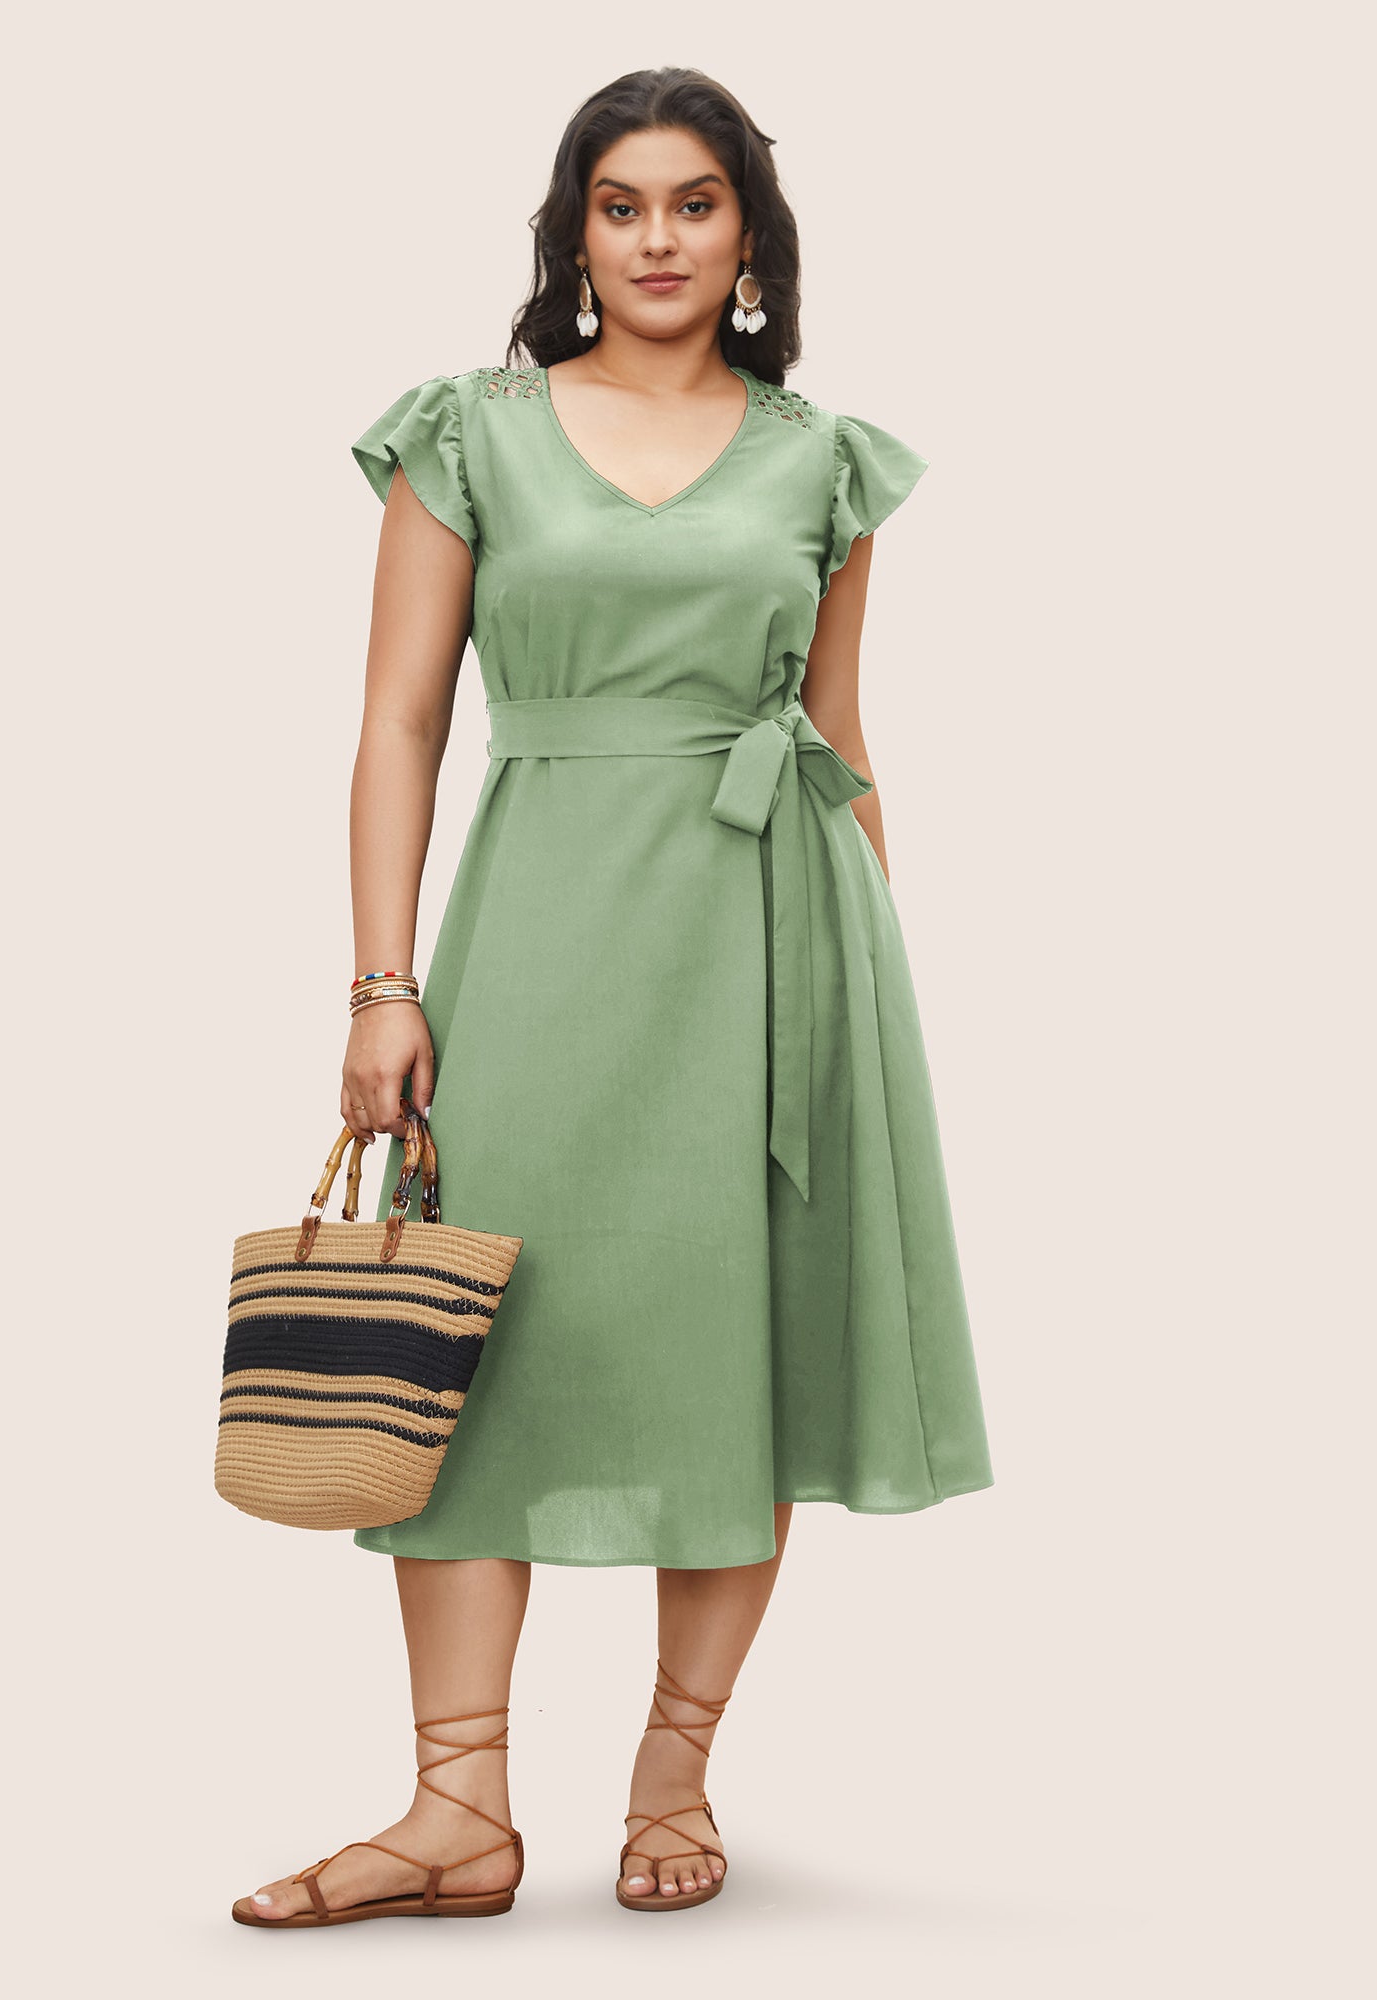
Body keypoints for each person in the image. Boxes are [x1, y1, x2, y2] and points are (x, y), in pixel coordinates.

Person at [232, 63, 993, 1930]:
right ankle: (456, 1813)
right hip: (544, 919)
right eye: (623, 204)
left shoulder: (824, 459)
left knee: (744, 1342)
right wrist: (381, 984)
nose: (659, 239)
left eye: (696, 204)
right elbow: (399, 722)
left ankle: (676, 1773)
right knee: (474, 1332)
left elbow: (840, 730)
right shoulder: (470, 431)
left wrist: (872, 989)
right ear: (575, 233)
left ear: (751, 238)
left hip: (774, 933)